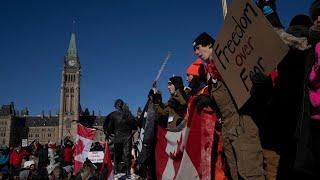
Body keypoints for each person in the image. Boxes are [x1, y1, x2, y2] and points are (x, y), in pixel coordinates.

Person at [192, 32, 265, 180]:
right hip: (227, 127)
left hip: (242, 123)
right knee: (234, 174)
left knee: (250, 174)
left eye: (199, 48)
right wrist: (209, 100)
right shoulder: (211, 75)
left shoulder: (228, 62)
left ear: (209, 45)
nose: (196, 53)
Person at [104, 99, 137, 178]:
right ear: (122, 105)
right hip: (127, 138)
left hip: (118, 137)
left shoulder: (113, 115)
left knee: (117, 155)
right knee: (127, 155)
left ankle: (116, 170)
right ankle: (128, 172)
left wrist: (107, 134)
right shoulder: (128, 114)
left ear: (116, 106)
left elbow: (109, 127)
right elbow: (134, 126)